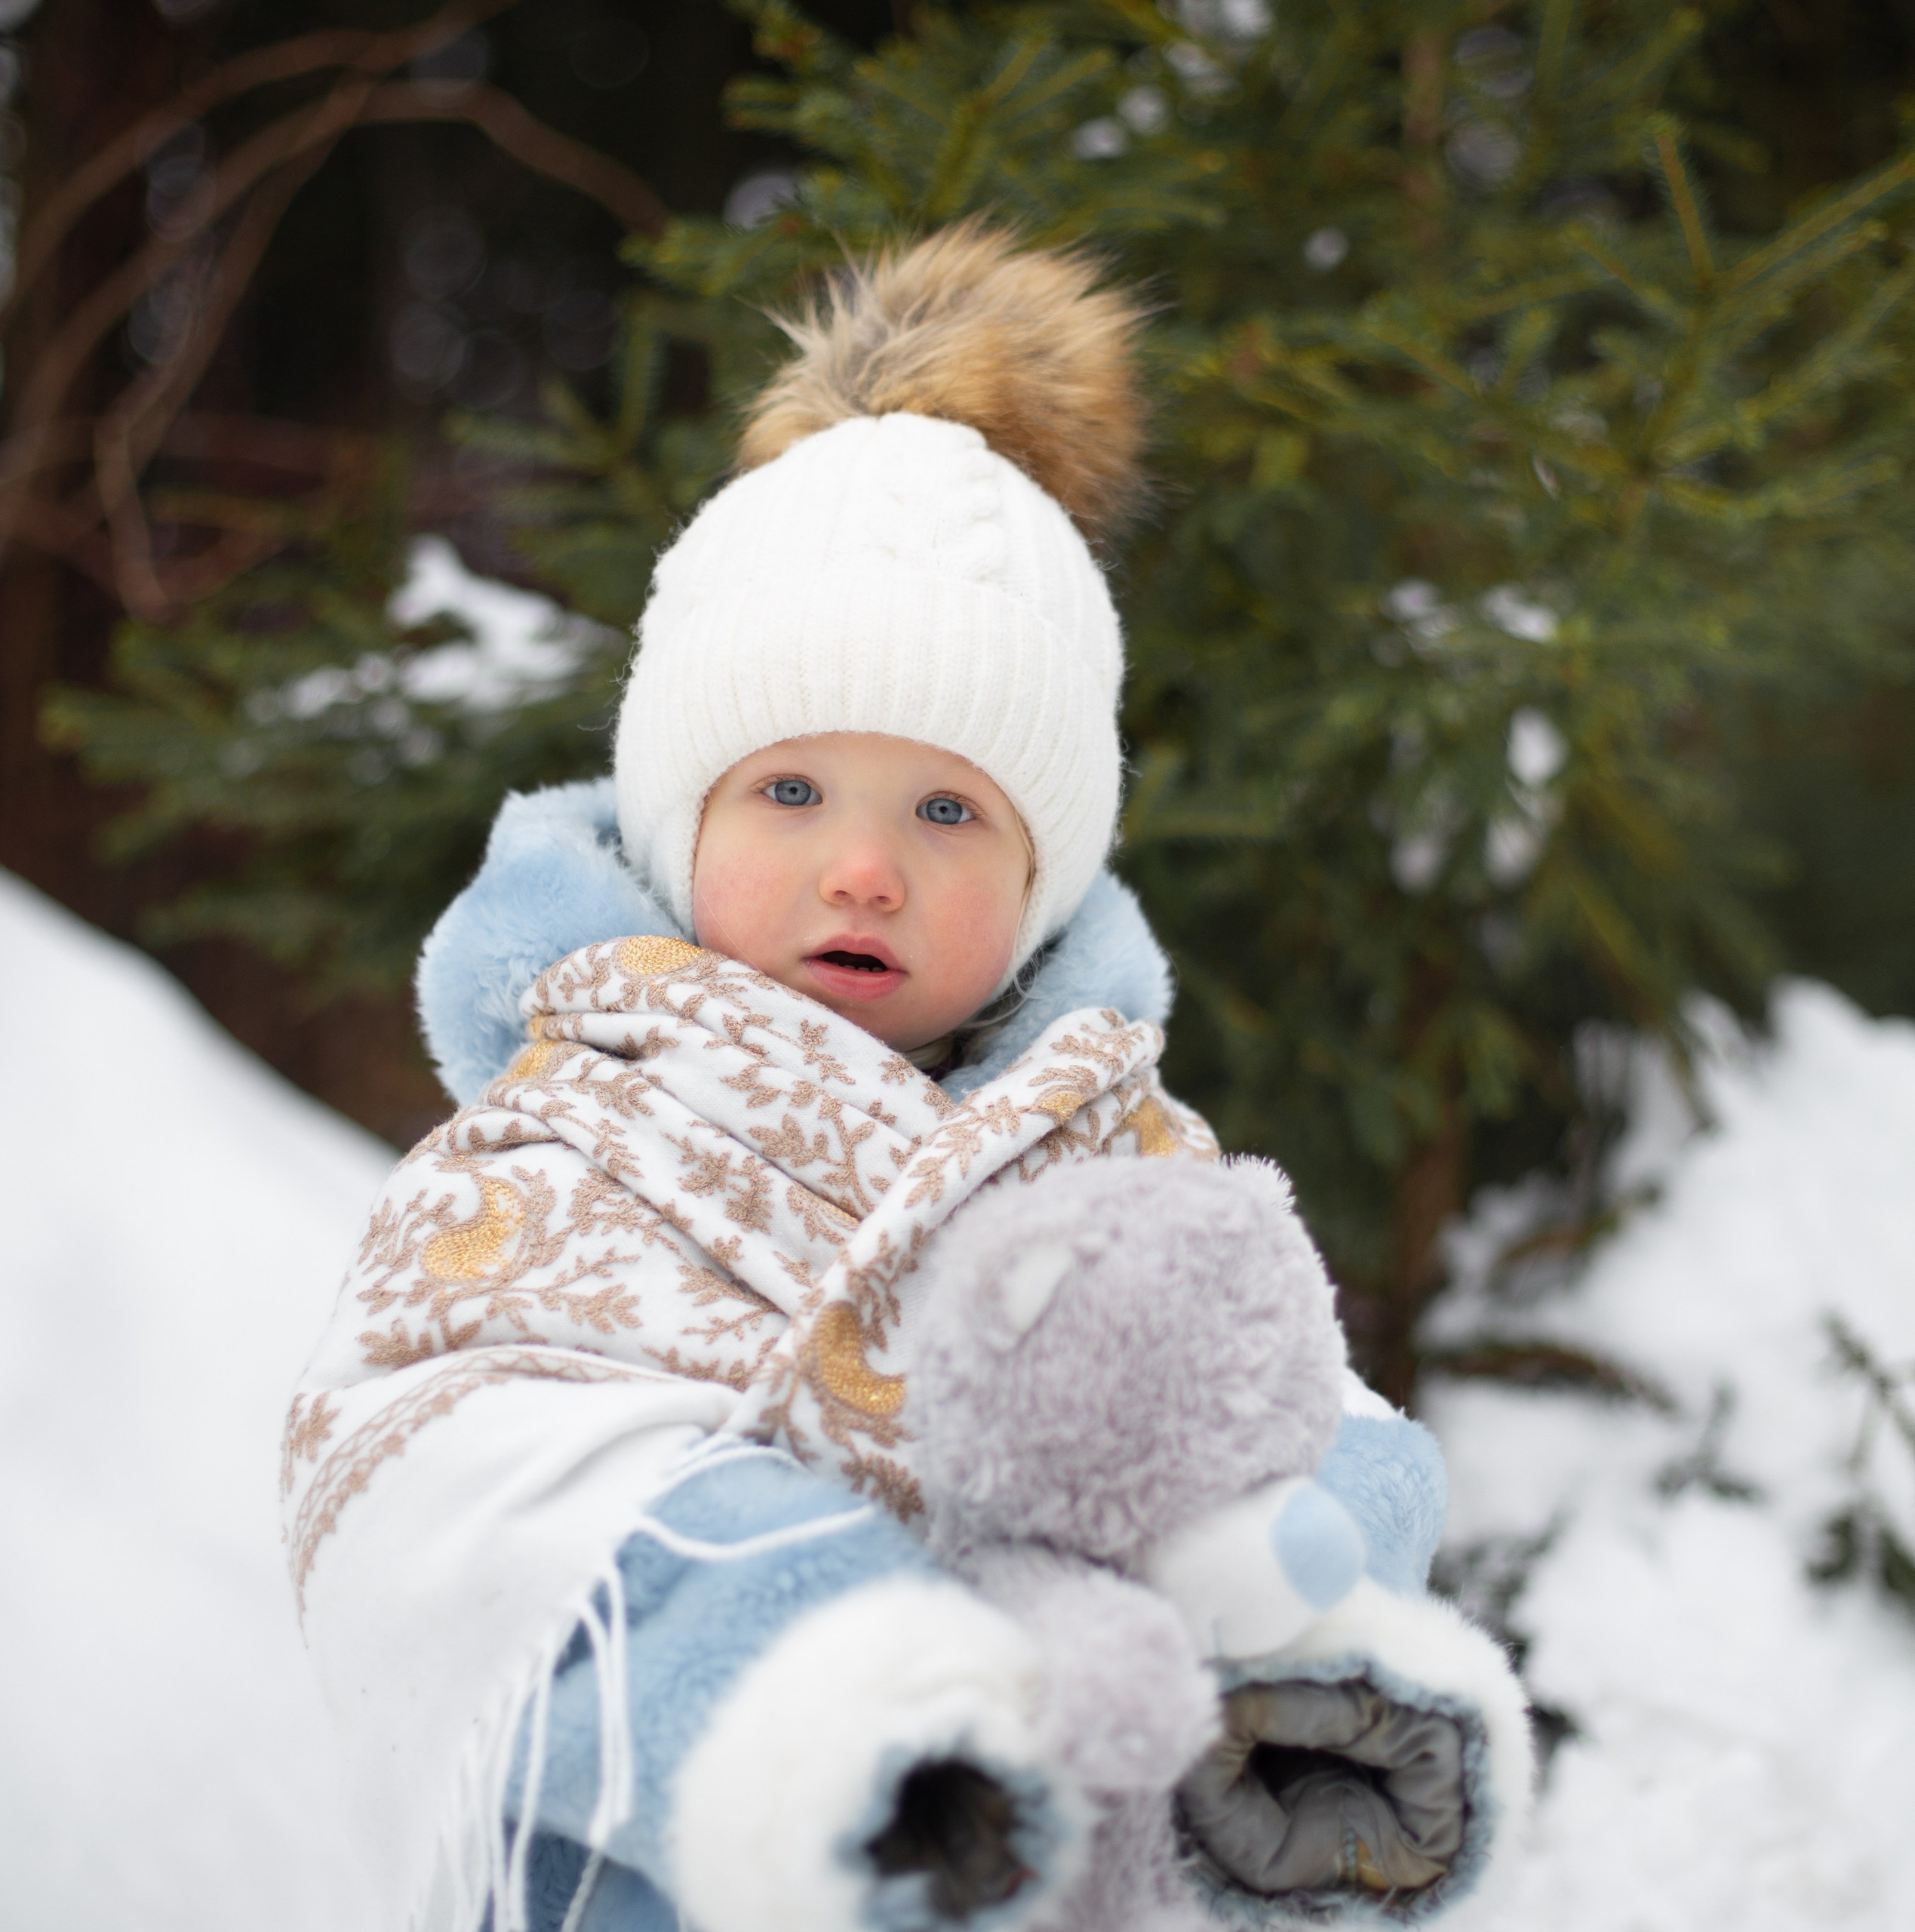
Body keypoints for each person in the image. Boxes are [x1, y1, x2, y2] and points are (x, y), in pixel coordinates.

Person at [281, 225, 1527, 1932]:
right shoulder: (569, 1140)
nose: (862, 868)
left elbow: (1301, 1415)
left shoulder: (1129, 1157)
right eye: (789, 791)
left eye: (945, 811)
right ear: (676, 818)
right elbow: (433, 1451)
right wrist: (808, 1665)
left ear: (1041, 878)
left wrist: (1292, 1623)